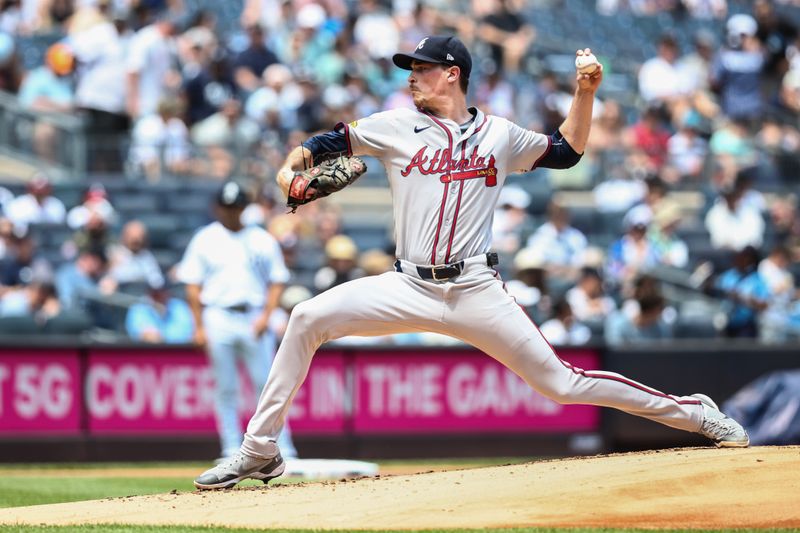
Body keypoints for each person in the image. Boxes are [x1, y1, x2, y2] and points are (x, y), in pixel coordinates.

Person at [194, 36, 749, 490]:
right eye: (410, 69)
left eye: (422, 68)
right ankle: (259, 450)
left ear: (452, 73)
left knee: (562, 384)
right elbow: (325, 142)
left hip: (476, 288)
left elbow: (566, 152)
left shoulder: (500, 135)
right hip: (406, 283)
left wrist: (585, 92)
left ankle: (694, 412)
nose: (411, 77)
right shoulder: (394, 126)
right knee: (306, 318)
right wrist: (290, 169)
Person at [176, 180, 297, 463]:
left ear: (245, 208)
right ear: (218, 208)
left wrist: (267, 315)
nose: (233, 212)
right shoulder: (205, 238)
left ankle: (283, 448)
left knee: (266, 387)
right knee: (225, 387)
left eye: (238, 206)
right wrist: (199, 326)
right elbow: (192, 285)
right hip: (218, 315)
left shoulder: (261, 238)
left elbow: (277, 280)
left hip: (254, 315)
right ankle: (231, 449)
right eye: (228, 207)